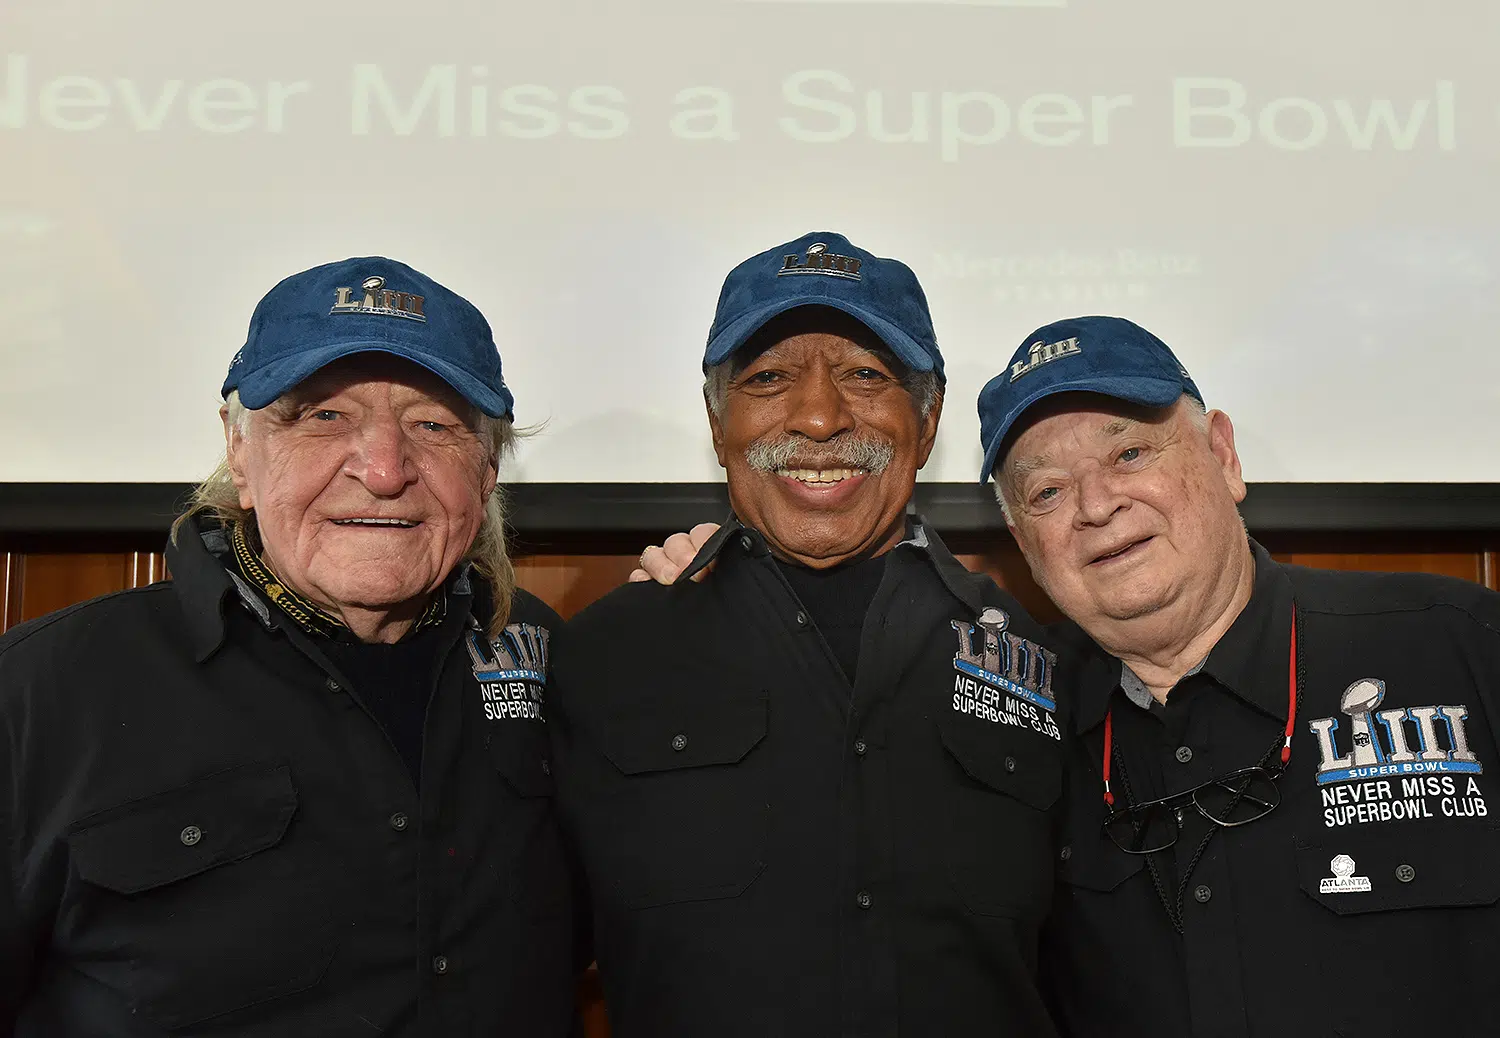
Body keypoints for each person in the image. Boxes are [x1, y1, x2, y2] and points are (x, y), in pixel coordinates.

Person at [0, 258, 584, 1035]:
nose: (382, 470)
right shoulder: (41, 692)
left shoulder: (545, 654)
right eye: (322, 417)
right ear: (240, 450)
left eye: (433, 425)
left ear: (484, 475)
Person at [551, 231, 1067, 1038]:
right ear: (718, 426)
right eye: (768, 378)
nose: (820, 416)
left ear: (926, 421)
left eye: (865, 374)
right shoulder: (599, 657)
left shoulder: (1043, 662)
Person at [975, 315, 1500, 1038]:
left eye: (1129, 453)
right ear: (1022, 542)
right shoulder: (1012, 729)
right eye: (1047, 494)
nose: (1097, 506)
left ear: (1223, 455)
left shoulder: (1460, 646)